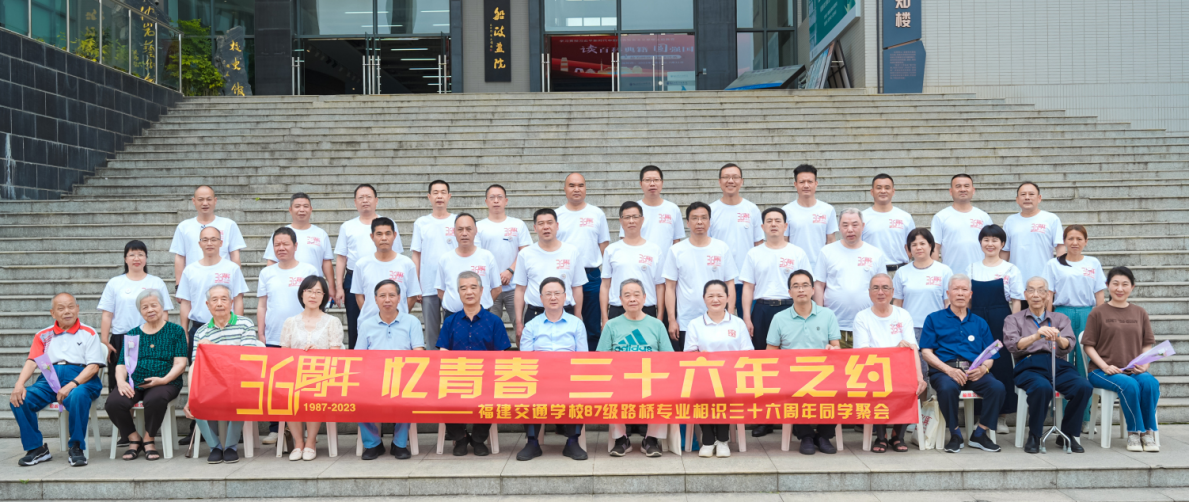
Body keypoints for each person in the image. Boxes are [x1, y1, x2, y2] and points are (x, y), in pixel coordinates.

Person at [10, 293, 104, 467]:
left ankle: (76, 446)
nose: (67, 311)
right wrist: (19, 384)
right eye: (61, 308)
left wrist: (71, 385)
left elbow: (93, 367)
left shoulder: (88, 333)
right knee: (20, 398)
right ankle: (36, 448)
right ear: (53, 313)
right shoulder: (43, 335)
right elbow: (32, 361)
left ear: (77, 309)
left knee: (78, 395)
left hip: (81, 379)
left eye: (70, 307)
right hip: (49, 379)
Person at [1003, 277, 1091, 454]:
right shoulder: (1013, 319)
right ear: (1025, 295)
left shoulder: (1060, 318)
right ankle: (1035, 435)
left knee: (1083, 386)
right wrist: (1036, 336)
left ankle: (1067, 433)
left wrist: (1058, 338)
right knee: (1041, 387)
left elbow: (1069, 345)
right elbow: (1013, 345)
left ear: (1048, 295)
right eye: (1031, 290)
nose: (1036, 295)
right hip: (1029, 364)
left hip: (1057, 363)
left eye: (1041, 290)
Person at [919, 274, 1004, 453]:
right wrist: (948, 370)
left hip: (973, 370)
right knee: (947, 388)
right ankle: (955, 433)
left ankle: (980, 433)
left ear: (970, 294)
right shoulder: (933, 319)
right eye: (956, 289)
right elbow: (926, 352)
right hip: (945, 370)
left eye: (964, 289)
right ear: (948, 293)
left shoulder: (979, 322)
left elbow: (991, 353)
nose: (960, 293)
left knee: (997, 387)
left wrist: (984, 368)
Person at [1083, 266, 1160, 452]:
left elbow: (1147, 344)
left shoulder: (1140, 312)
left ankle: (1147, 432)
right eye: (1115, 283)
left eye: (1125, 284)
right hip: (1101, 371)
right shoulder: (1098, 312)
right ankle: (1134, 433)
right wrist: (1105, 366)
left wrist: (1145, 364)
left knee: (1150, 383)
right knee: (1129, 385)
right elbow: (1088, 346)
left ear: (1132, 287)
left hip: (1131, 369)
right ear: (1107, 285)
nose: (1120, 288)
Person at [184, 285, 264, 462]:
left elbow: (247, 358)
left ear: (231, 302)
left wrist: (214, 349)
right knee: (196, 401)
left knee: (240, 396)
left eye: (223, 299)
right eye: (214, 300)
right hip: (213, 383)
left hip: (240, 380)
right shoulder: (201, 332)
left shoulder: (245, 324)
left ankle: (230, 446)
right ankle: (215, 446)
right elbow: (196, 365)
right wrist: (191, 396)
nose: (219, 303)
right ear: (207, 305)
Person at [107, 289, 188, 461]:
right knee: (114, 402)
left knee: (155, 399)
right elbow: (121, 364)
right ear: (140, 311)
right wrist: (121, 382)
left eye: (154, 305)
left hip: (166, 381)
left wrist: (164, 380)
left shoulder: (176, 331)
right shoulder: (133, 334)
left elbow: (180, 364)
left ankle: (149, 439)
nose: (150, 310)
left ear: (162, 307)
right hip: (135, 381)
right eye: (145, 307)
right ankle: (133, 438)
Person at [765, 269, 841, 451]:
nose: (801, 290)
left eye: (805, 285)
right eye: (796, 286)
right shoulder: (779, 318)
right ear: (789, 292)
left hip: (823, 373)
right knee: (792, 389)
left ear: (813, 290)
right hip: (792, 374)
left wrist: (833, 349)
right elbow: (770, 352)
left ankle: (823, 436)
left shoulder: (827, 315)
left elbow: (836, 346)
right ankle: (806, 436)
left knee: (841, 389)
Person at [438, 271, 512, 456]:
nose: (468, 292)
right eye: (463, 288)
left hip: (486, 379)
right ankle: (461, 437)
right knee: (443, 393)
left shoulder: (494, 321)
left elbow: (501, 356)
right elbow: (443, 353)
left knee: (491, 394)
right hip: (456, 378)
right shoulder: (450, 321)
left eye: (473, 287)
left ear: (481, 290)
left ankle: (479, 439)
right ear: (458, 292)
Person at [599, 279, 674, 456]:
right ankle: (621, 439)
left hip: (650, 378)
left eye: (636, 295)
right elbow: (601, 357)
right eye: (627, 295)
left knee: (662, 391)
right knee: (612, 391)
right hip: (619, 379)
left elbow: (668, 357)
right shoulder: (611, 325)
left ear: (645, 298)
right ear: (620, 299)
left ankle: (651, 439)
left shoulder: (657, 325)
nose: (632, 299)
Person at [516, 278, 589, 461]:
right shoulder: (532, 325)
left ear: (565, 297)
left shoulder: (576, 323)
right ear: (541, 298)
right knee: (527, 389)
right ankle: (532, 442)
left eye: (557, 293)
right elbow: (525, 359)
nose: (553, 297)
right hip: (539, 377)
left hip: (569, 376)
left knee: (578, 389)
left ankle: (572, 442)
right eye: (548, 294)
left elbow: (582, 357)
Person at [853, 274, 926, 453]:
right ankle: (881, 436)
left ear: (893, 292)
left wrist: (919, 377)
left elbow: (912, 348)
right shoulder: (862, 317)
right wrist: (894, 350)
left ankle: (897, 435)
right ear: (869, 292)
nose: (881, 292)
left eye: (885, 288)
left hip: (901, 370)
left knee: (913, 385)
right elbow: (863, 353)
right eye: (876, 288)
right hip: (873, 370)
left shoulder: (903, 314)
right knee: (878, 386)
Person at [966, 224, 1024, 432]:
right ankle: (980, 415)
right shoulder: (971, 268)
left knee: (1001, 365)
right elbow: (967, 299)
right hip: (975, 319)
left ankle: (1001, 417)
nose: (990, 244)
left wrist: (1013, 325)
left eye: (995, 240)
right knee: (977, 362)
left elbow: (1016, 300)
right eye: (986, 240)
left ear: (1002, 244)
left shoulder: (1010, 269)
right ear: (980, 242)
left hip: (1001, 318)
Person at [357, 280, 425, 460]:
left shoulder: (412, 322)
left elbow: (418, 352)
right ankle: (373, 444)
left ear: (399, 298)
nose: (387, 299)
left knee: (408, 395)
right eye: (382, 296)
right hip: (373, 379)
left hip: (403, 378)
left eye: (391, 295)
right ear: (375, 299)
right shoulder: (366, 325)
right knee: (356, 397)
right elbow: (359, 357)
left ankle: (399, 443)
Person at [685, 280, 752, 458]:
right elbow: (689, 354)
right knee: (701, 390)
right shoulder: (695, 324)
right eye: (711, 296)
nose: (715, 300)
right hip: (703, 376)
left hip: (732, 376)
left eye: (720, 295)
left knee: (725, 390)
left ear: (728, 297)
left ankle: (722, 440)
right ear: (704, 298)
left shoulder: (737, 323)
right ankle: (708, 439)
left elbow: (747, 353)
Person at [279, 276, 343, 461]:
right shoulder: (290, 322)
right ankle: (298, 442)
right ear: (302, 294)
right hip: (293, 373)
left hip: (322, 375)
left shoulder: (332, 322)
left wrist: (318, 354)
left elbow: (335, 354)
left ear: (324, 296)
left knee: (313, 389)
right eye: (309, 291)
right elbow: (284, 354)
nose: (313, 296)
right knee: (286, 392)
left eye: (318, 292)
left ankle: (311, 441)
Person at [98, 240, 172, 394]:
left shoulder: (156, 282)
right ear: (125, 259)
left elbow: (164, 313)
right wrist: (105, 340)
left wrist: (161, 336)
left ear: (146, 258)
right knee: (121, 387)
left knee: (150, 385)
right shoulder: (115, 283)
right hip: (121, 337)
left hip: (150, 337)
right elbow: (107, 314)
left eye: (140, 254)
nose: (136, 258)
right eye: (132, 255)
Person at [663, 202, 738, 351]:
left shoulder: (721, 248)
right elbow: (670, 288)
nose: (699, 222)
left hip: (718, 319)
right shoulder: (676, 250)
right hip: (686, 320)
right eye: (695, 218)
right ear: (687, 223)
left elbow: (730, 283)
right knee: (689, 362)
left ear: (710, 222)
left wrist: (729, 315)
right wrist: (672, 319)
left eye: (704, 218)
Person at [813, 209, 890, 347]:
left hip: (868, 324)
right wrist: (819, 315)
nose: (850, 229)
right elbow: (819, 285)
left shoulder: (875, 253)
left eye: (855, 225)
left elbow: (883, 287)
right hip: (834, 324)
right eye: (845, 225)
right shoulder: (827, 251)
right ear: (839, 227)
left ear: (863, 226)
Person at [334, 184, 396, 351]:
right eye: (361, 198)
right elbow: (341, 258)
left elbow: (396, 254)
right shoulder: (347, 226)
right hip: (354, 277)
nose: (365, 201)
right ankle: (357, 358)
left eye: (369, 197)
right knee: (355, 322)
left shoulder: (387, 224)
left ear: (376, 200)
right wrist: (339, 287)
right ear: (355, 202)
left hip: (383, 277)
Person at [1042, 225, 1105, 384]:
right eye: (1070, 238)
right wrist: (1048, 318)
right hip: (1062, 313)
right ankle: (1064, 397)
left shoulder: (1093, 263)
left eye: (1079, 239)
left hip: (1087, 314)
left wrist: (1101, 319)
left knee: (1086, 355)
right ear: (1064, 241)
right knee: (1063, 355)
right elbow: (1049, 294)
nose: (1075, 242)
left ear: (1086, 241)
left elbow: (1099, 294)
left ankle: (1087, 398)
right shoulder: (1053, 264)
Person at [741, 207, 810, 351]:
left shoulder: (797, 253)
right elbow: (748, 287)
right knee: (762, 354)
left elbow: (807, 286)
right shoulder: (753, 253)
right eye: (769, 221)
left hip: (791, 308)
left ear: (785, 226)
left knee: (792, 353)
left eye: (778, 221)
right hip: (762, 309)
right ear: (762, 227)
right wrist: (747, 317)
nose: (773, 224)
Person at [556, 173, 611, 348]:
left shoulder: (597, 213)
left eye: (580, 185)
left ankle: (593, 359)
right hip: (564, 275)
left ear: (586, 188)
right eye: (572, 185)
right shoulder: (556, 215)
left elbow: (604, 245)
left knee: (593, 326)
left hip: (591, 276)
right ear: (565, 189)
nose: (576, 189)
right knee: (563, 323)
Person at [513, 208, 587, 338]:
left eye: (550, 222)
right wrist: (519, 322)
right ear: (535, 228)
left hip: (565, 312)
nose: (546, 227)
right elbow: (520, 289)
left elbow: (577, 287)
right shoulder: (525, 254)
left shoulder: (571, 251)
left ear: (557, 226)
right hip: (535, 313)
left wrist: (577, 318)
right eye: (541, 223)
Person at [892, 228, 953, 374]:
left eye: (922, 243)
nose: (918, 247)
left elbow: (948, 303)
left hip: (936, 327)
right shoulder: (902, 272)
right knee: (915, 372)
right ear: (908, 249)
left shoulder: (944, 270)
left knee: (938, 370)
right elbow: (897, 303)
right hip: (910, 328)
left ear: (930, 245)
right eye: (914, 245)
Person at [176, 226, 249, 348]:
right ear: (199, 244)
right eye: (205, 240)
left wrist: (237, 328)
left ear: (221, 243)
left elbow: (238, 300)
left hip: (227, 328)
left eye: (213, 239)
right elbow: (186, 303)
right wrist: (184, 332)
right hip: (199, 329)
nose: (209, 243)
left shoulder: (232, 268)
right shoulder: (190, 270)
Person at [351, 217, 421, 338]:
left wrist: (397, 315)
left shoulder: (406, 264)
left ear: (394, 235)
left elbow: (412, 296)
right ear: (372, 237)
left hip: (399, 325)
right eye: (379, 234)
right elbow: (359, 296)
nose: (384, 238)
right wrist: (374, 318)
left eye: (388, 233)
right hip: (369, 326)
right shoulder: (361, 264)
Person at [476, 184, 532, 332]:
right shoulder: (478, 227)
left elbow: (525, 252)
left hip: (515, 286)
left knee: (522, 329)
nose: (496, 200)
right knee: (489, 330)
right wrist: (495, 276)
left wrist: (510, 270)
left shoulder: (518, 224)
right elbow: (477, 255)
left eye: (499, 197)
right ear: (486, 201)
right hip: (489, 287)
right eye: (492, 197)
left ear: (506, 201)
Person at [709, 163, 763, 314]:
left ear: (742, 181)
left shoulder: (752, 209)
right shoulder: (711, 210)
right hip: (719, 278)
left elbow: (759, 244)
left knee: (748, 321)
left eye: (735, 177)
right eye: (726, 177)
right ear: (719, 181)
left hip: (747, 279)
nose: (730, 181)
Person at [601, 201, 665, 324]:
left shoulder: (654, 250)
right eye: (627, 217)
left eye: (635, 217)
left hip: (647, 309)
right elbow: (605, 285)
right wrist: (604, 318)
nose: (631, 221)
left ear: (642, 220)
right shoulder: (611, 250)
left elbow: (660, 285)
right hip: (618, 310)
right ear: (621, 221)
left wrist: (660, 316)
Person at [412, 180, 458, 347]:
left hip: (453, 285)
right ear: (429, 197)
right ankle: (433, 359)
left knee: (453, 329)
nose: (439, 196)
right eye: (436, 193)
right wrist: (416, 284)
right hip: (428, 284)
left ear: (449, 196)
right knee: (431, 332)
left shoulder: (457, 221)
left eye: (443, 192)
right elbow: (416, 255)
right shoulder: (421, 223)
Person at [169, 185, 245, 287]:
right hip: (194, 280)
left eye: (209, 199)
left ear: (215, 200)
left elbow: (235, 255)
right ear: (194, 201)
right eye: (200, 199)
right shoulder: (184, 227)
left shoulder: (229, 225)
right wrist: (179, 285)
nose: (205, 203)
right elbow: (180, 256)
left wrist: (237, 284)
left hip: (222, 281)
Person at [257, 227, 320, 346]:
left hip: (303, 337)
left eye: (286, 244)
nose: (281, 248)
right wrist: (261, 334)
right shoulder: (266, 273)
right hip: (273, 337)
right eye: (277, 245)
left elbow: (317, 304)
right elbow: (262, 305)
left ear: (295, 246)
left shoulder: (309, 271)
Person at [437, 213, 502, 320]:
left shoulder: (487, 256)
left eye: (468, 229)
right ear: (454, 232)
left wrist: (481, 306)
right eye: (460, 229)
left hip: (481, 316)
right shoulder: (445, 259)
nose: (464, 233)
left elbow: (497, 289)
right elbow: (441, 291)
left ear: (476, 231)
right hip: (452, 316)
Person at [263, 193, 335, 288]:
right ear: (290, 210)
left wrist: (332, 287)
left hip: (313, 288)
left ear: (311, 209)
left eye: (305, 206)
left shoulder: (321, 234)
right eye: (297, 206)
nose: (302, 210)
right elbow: (272, 261)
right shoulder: (281, 234)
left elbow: (326, 262)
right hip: (286, 285)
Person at [931, 174, 992, 276]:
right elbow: (935, 248)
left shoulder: (983, 217)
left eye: (966, 186)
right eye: (958, 186)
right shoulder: (941, 217)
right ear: (951, 191)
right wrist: (935, 272)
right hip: (952, 275)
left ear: (973, 190)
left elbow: (992, 246)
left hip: (980, 275)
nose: (963, 189)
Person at [1003, 182, 1064, 281]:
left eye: (1031, 194)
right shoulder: (1010, 221)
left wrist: (1060, 274)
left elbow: (1060, 248)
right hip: (1016, 279)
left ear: (1039, 198)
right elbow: (1005, 251)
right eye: (1023, 194)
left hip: (1044, 279)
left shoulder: (1051, 219)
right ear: (1017, 199)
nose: (1027, 197)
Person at [623, 165, 684, 265]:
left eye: (656, 180)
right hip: (638, 265)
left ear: (662, 183)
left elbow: (676, 241)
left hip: (665, 266)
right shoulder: (632, 210)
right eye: (647, 180)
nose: (652, 184)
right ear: (641, 184)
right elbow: (625, 239)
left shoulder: (673, 209)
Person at [781, 164, 837, 270]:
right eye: (802, 182)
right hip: (795, 268)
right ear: (795, 184)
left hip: (820, 268)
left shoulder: (827, 210)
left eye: (810, 182)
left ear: (816, 184)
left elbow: (831, 241)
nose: (806, 185)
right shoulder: (786, 211)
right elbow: (784, 242)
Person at [861, 174, 916, 270]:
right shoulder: (862, 217)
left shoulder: (905, 217)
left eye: (887, 188)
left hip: (899, 271)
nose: (883, 191)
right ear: (872, 192)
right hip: (871, 271)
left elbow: (913, 244)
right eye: (879, 188)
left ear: (893, 191)